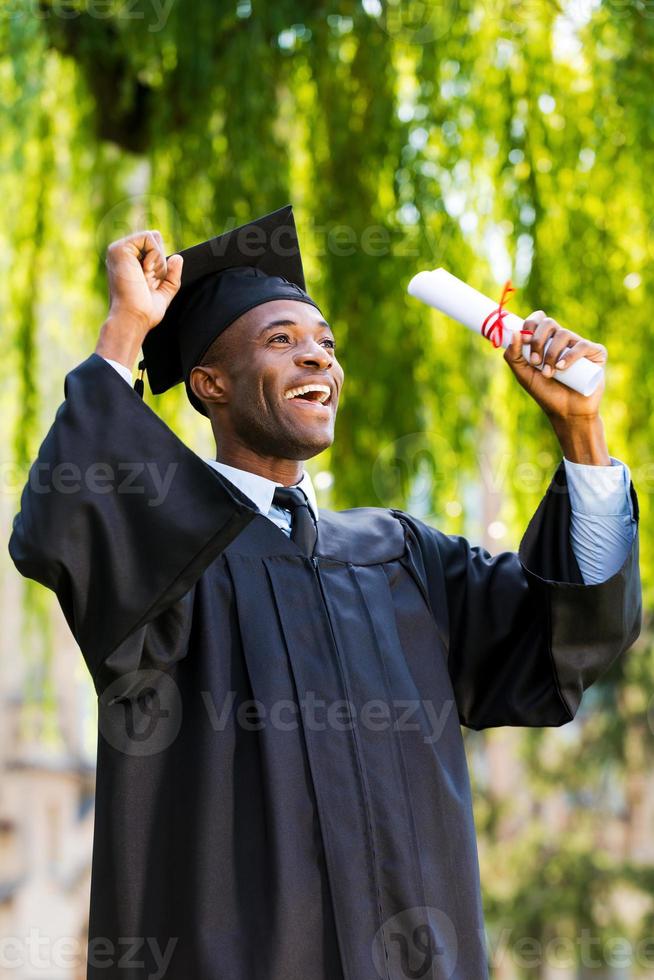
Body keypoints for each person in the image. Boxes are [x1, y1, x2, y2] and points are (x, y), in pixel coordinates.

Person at [9, 207, 641, 980]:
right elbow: (61, 522)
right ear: (209, 383)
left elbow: (564, 637)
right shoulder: (167, 558)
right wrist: (127, 330)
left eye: (326, 345)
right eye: (281, 341)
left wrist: (582, 430)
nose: (317, 359)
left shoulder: (400, 557)